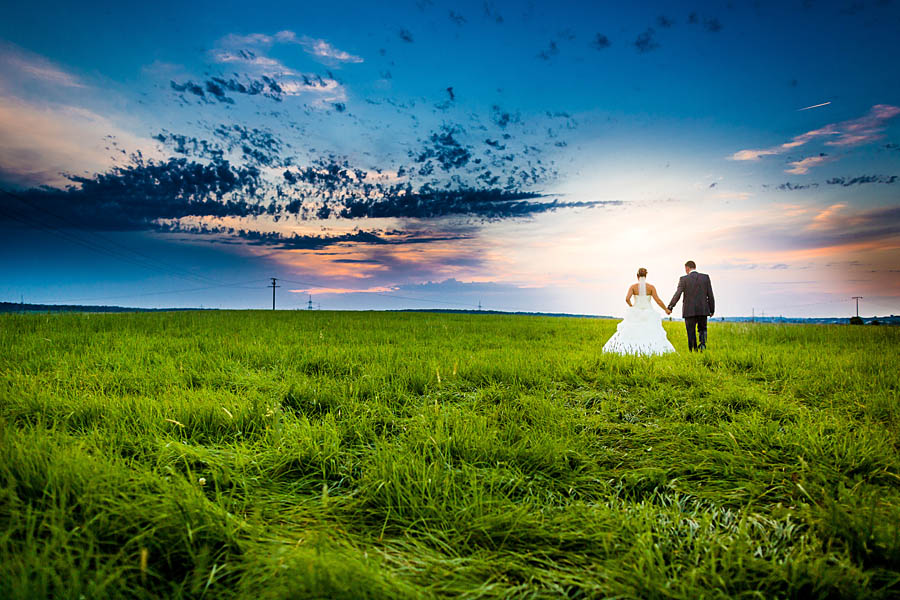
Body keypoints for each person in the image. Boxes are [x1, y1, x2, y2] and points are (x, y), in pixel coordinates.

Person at [603, 268, 675, 356]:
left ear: (637, 276)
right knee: (650, 332)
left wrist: (632, 306)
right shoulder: (651, 287)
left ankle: (629, 350)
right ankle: (650, 350)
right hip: (648, 312)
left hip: (635, 312)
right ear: (646, 276)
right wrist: (666, 309)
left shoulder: (633, 287)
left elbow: (627, 299)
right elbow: (658, 300)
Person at [667, 260, 715, 351]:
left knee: (691, 332)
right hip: (703, 310)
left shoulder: (684, 279)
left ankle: (693, 350)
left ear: (687, 268)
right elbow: (710, 295)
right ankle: (703, 345)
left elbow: (678, 294)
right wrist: (711, 310)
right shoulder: (705, 278)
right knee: (703, 329)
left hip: (689, 311)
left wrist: (670, 306)